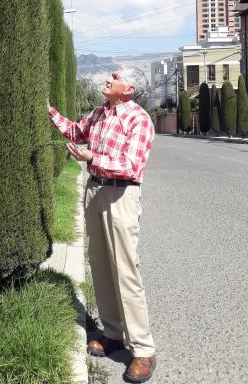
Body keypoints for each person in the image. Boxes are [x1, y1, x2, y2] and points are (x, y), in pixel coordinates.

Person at [48, 68, 156, 383]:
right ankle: (112, 333)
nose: (108, 79)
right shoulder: (98, 114)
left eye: (115, 76)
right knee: (100, 265)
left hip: (121, 195)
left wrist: (91, 157)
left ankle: (143, 349)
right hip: (95, 190)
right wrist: (49, 111)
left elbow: (132, 167)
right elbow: (73, 131)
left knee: (125, 271)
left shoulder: (139, 120)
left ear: (129, 88)